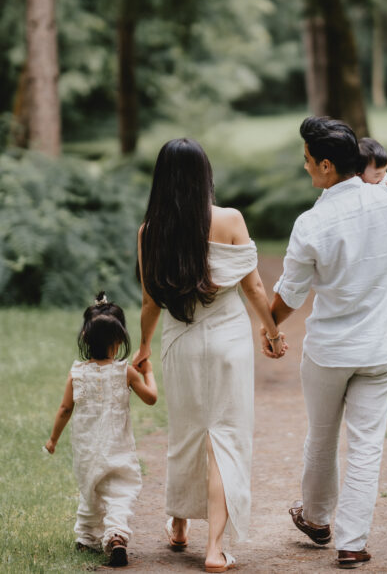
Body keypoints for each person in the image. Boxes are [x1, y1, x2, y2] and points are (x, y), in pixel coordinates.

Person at [132, 138, 287, 574]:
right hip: (228, 342)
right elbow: (255, 288)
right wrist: (272, 333)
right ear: (205, 177)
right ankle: (215, 549)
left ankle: (179, 527)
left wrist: (143, 347)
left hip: (179, 343)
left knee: (185, 434)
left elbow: (149, 303)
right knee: (225, 438)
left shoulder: (149, 232)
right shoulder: (230, 219)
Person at [270, 117, 387, 569]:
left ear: (327, 166)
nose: (307, 168)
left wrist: (269, 327)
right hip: (379, 346)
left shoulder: (312, 222)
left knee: (323, 435)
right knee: (367, 444)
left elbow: (290, 294)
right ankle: (352, 543)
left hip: (330, 350)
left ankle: (315, 519)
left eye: (309, 161)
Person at [44, 292, 158, 568]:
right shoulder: (125, 372)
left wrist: (52, 439)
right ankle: (116, 534)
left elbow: (64, 410)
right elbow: (151, 397)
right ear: (119, 341)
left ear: (84, 338)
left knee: (90, 491)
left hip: (87, 450)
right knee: (120, 492)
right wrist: (148, 371)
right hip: (117, 448)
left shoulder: (77, 374)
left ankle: (86, 538)